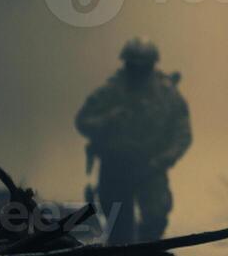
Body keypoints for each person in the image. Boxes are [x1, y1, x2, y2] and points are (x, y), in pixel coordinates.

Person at [75, 38, 192, 244]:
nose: (137, 72)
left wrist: (162, 160)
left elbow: (182, 135)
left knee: (156, 216)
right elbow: (83, 120)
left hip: (150, 165)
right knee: (118, 225)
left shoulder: (167, 95)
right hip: (115, 166)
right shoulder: (111, 91)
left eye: (142, 67)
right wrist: (107, 119)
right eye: (132, 66)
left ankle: (145, 255)